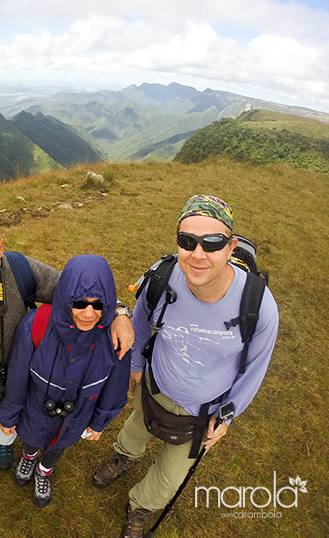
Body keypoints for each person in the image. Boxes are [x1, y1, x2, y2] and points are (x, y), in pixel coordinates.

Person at [92, 195, 279, 538]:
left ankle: (141, 506)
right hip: (155, 384)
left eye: (213, 243)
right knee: (137, 426)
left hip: (201, 412)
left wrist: (225, 415)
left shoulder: (259, 306)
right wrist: (135, 364)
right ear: (178, 240)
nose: (198, 253)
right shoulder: (162, 276)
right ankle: (124, 456)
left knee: (170, 475)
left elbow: (254, 369)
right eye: (187, 241)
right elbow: (143, 318)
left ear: (231, 245)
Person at [0, 208, 135, 470]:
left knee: (3, 421)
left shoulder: (21, 270)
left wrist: (119, 312)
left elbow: (76, 292)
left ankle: (2, 443)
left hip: (15, 376)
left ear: (0, 247)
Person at [0, 255, 131, 506]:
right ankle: (29, 455)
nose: (89, 314)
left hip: (76, 417)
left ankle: (44, 470)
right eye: (79, 303)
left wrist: (100, 423)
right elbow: (16, 375)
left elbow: (116, 387)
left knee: (58, 447)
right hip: (36, 409)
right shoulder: (35, 324)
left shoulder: (117, 338)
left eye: (98, 305)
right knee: (32, 439)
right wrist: (9, 414)